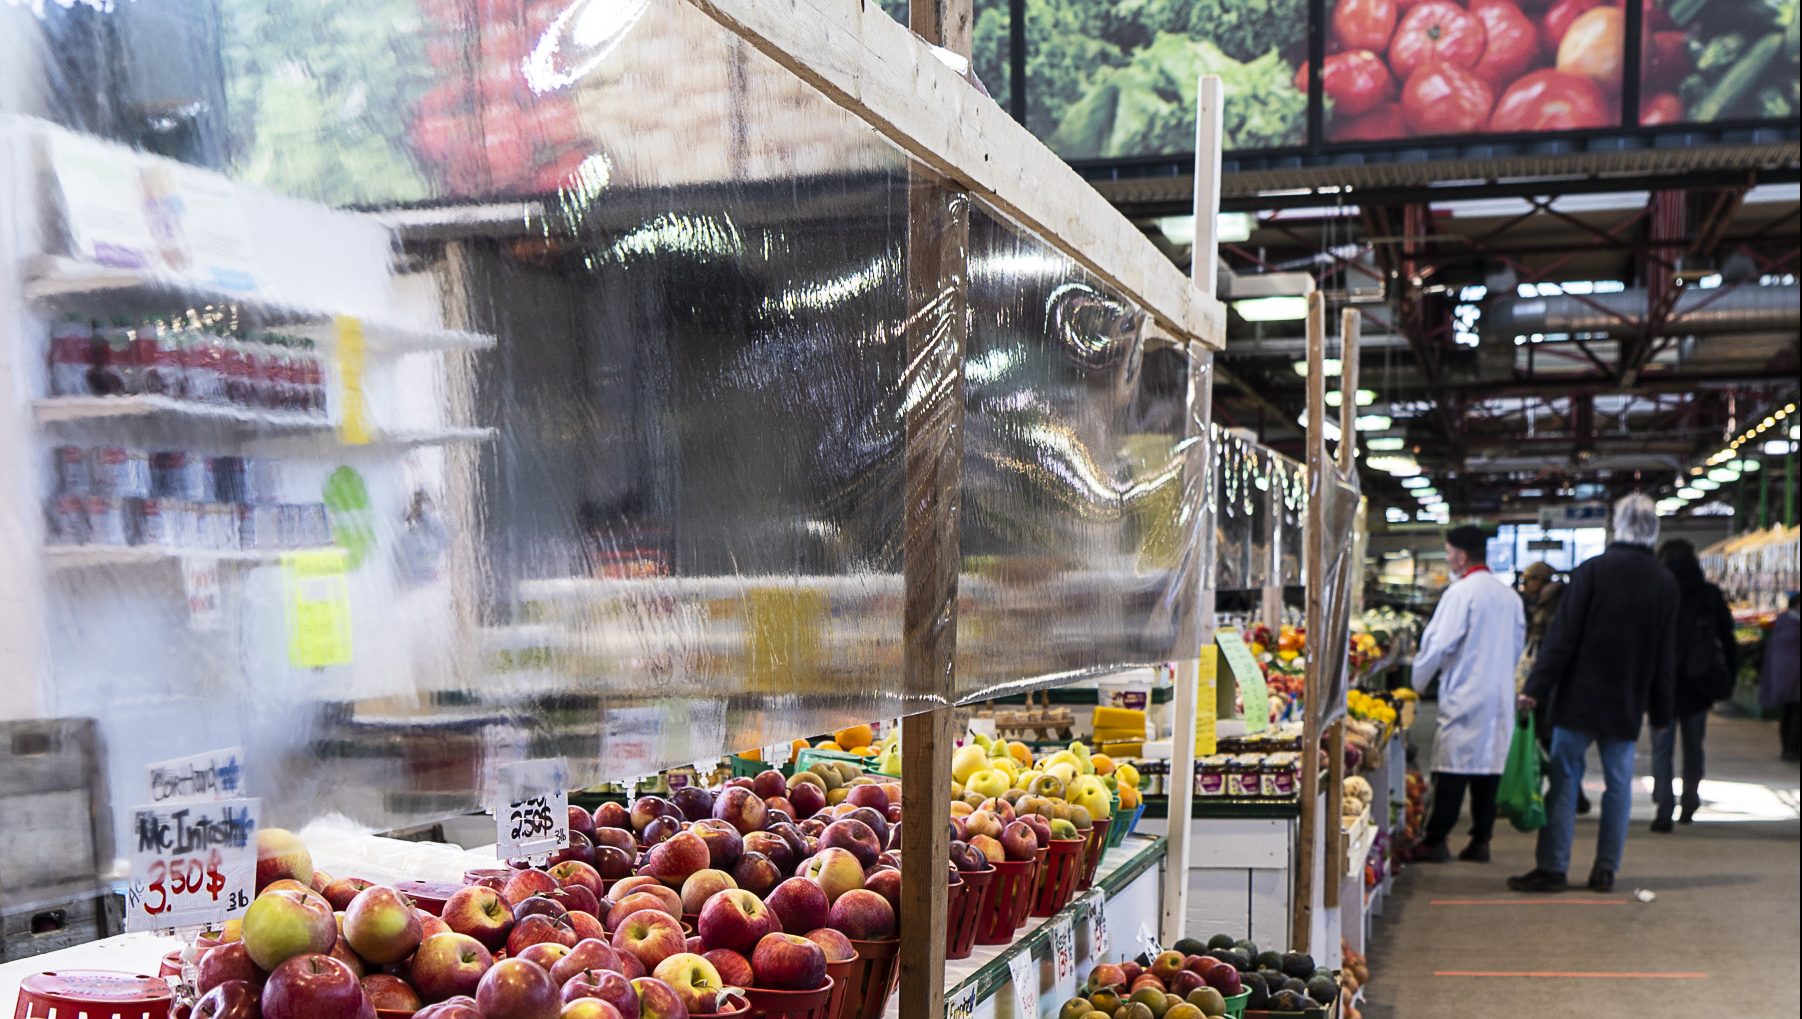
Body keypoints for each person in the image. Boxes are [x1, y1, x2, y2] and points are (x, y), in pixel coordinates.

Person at [1509, 494, 1678, 895]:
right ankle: (1605, 870)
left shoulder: (1593, 571)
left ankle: (1552, 868)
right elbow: (1665, 653)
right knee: (1619, 786)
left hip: (1578, 699)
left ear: (1616, 526)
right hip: (1626, 699)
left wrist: (1536, 687)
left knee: (1565, 779)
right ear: (1653, 528)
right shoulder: (1664, 582)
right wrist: (1661, 710)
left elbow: (1562, 638)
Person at [1408, 524, 1525, 864]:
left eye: (1447, 553)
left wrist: (1417, 683)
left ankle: (1436, 839)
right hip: (1499, 694)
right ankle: (1481, 841)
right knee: (1489, 769)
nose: (1447, 559)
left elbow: (1438, 644)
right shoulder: (1509, 596)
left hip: (1465, 692)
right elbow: (1517, 648)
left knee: (1452, 768)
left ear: (1459, 555)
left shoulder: (1461, 593)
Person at [1650, 540, 1738, 831]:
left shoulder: (1659, 592)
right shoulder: (1709, 594)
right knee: (1693, 746)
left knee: (1661, 748)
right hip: (1698, 682)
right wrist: (1730, 676)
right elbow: (1728, 639)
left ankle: (1664, 808)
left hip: (1663, 682)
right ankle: (1689, 801)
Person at [1516, 561, 1588, 815]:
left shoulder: (1554, 604)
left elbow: (1553, 646)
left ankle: (1571, 793)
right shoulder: (1547, 602)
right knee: (1548, 741)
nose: (1524, 587)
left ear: (1542, 581)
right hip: (1547, 683)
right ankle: (1571, 793)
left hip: (1549, 685)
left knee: (1549, 740)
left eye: (1528, 581)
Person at [1762, 592, 1800, 762]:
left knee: (1787, 713)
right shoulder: (1795, 624)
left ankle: (1787, 748)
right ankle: (1792, 749)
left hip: (1783, 677)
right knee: (1795, 713)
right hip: (1795, 677)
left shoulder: (1781, 623)